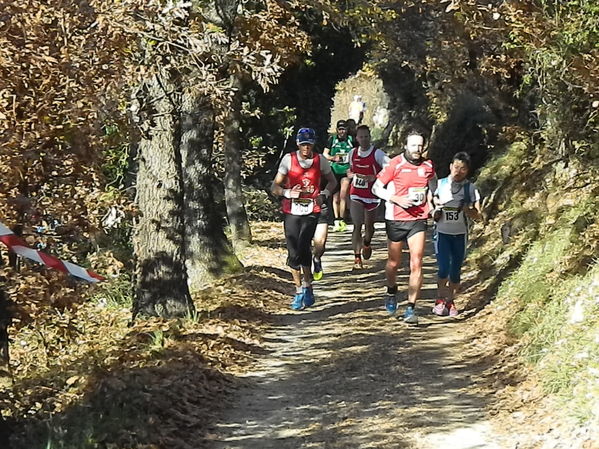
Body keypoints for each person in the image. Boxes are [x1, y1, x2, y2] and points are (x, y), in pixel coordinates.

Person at [372, 130, 436, 324]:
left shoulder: (428, 165)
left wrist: (433, 201)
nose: (417, 149)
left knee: (416, 262)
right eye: (413, 145)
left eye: (420, 145)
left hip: (418, 219)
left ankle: (411, 308)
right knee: (394, 263)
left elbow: (433, 183)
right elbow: (376, 188)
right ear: (406, 146)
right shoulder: (395, 164)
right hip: (396, 218)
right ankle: (391, 290)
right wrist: (395, 198)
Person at [271, 128, 337, 310]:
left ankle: (307, 287)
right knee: (293, 253)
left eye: (309, 144)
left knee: (303, 245)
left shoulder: (320, 160)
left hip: (311, 209)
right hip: (291, 209)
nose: (306, 147)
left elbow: (332, 181)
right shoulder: (288, 160)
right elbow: (274, 186)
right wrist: (286, 192)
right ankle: (299, 289)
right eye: (303, 144)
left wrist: (324, 194)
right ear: (298, 144)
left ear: (313, 144)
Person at [431, 152, 481, 317]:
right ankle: (439, 298)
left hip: (460, 234)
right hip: (442, 233)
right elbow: (430, 206)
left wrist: (466, 209)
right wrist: (435, 212)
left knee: (455, 271)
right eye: (456, 167)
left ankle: (450, 300)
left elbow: (479, 216)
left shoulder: (470, 189)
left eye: (463, 169)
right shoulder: (440, 184)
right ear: (450, 166)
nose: (458, 172)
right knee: (444, 267)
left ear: (468, 171)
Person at [347, 125, 389, 270]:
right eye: (361, 137)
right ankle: (357, 259)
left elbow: (390, 169)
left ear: (369, 137)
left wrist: (375, 177)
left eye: (366, 136)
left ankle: (367, 242)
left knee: (369, 227)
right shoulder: (352, 153)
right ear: (356, 138)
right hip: (356, 193)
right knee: (357, 224)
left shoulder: (378, 154)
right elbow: (350, 170)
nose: (363, 139)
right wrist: (350, 175)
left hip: (372, 195)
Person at [323, 120, 354, 232]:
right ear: (337, 130)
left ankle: (343, 219)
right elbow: (325, 154)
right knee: (335, 197)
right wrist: (333, 158)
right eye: (340, 129)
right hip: (334, 171)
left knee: (343, 195)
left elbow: (357, 153)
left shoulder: (351, 140)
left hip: (346, 171)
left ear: (347, 130)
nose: (342, 132)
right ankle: (337, 219)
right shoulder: (332, 139)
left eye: (344, 129)